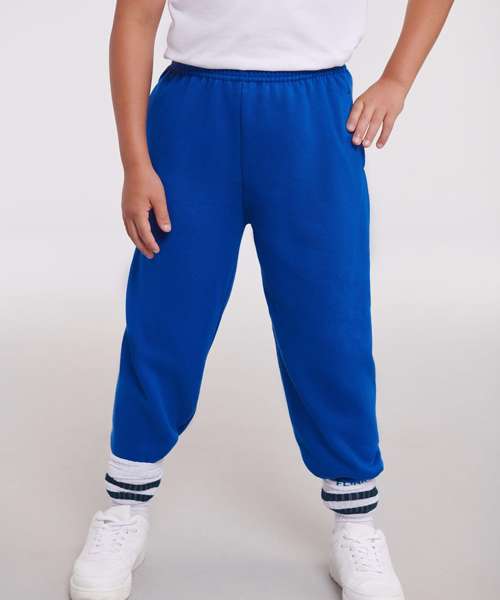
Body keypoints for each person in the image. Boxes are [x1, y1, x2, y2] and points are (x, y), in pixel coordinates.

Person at [69, 1, 454, 599]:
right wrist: (135, 162)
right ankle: (124, 508)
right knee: (167, 316)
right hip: (194, 113)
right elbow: (137, 17)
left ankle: (356, 522)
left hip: (315, 113)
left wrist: (397, 80)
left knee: (330, 323)